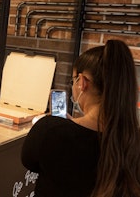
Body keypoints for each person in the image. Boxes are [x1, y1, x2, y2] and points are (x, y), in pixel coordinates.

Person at [21, 40, 140, 197]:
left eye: (73, 80)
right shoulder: (133, 139)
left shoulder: (51, 130)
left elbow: (29, 160)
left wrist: (60, 124)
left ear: (82, 82)